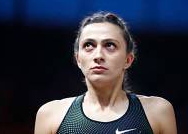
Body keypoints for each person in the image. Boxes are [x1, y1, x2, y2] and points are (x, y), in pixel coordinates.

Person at [34, 11, 177, 134]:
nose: (98, 55)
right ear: (78, 59)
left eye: (110, 45)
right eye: (89, 45)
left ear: (128, 59)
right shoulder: (50, 115)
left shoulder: (158, 112)